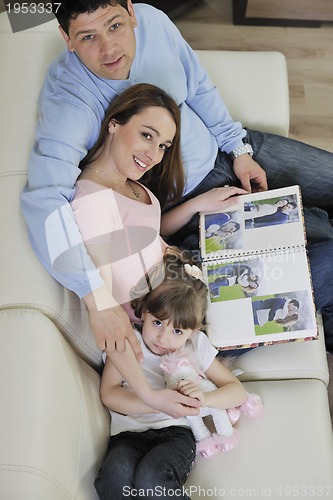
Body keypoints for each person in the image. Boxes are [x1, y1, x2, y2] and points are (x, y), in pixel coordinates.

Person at [20, 0, 333, 351]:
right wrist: (97, 299)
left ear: (132, 12)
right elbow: (45, 198)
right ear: (66, 37)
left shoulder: (154, 21)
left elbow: (198, 86)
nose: (109, 49)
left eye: (115, 26)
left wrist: (239, 150)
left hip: (226, 149)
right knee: (323, 235)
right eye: (88, 36)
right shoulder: (69, 101)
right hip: (183, 197)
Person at [69, 81, 244, 417]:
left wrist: (198, 205)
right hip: (176, 316)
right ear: (114, 124)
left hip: (185, 270)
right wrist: (148, 394)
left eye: (163, 145)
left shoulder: (129, 183)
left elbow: (150, 232)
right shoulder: (92, 202)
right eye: (147, 135)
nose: (154, 155)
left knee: (302, 226)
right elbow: (107, 310)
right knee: (322, 261)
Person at [94, 247, 247, 499]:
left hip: (176, 434)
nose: (163, 338)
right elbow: (109, 394)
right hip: (128, 433)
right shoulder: (128, 340)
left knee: (152, 477)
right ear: (143, 310)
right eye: (157, 323)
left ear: (193, 331)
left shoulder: (195, 345)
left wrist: (203, 399)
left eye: (178, 332)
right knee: (115, 476)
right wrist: (156, 403)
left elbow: (237, 391)